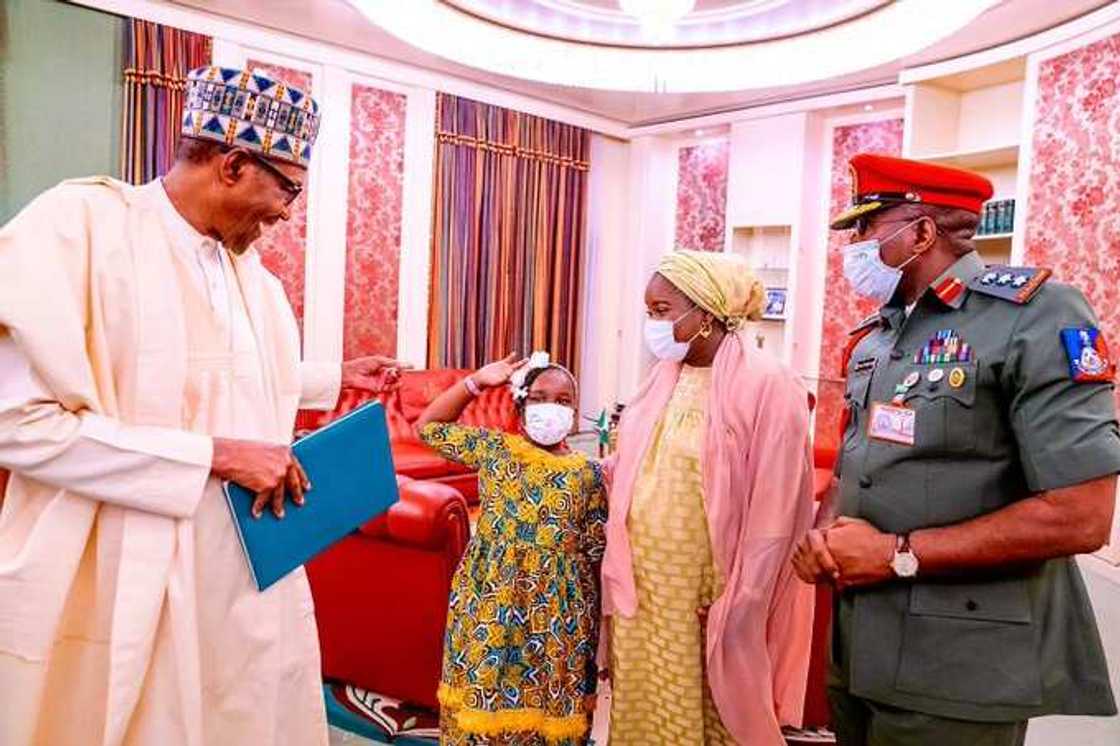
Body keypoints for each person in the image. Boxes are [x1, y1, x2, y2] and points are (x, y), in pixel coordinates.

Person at [0, 65, 406, 746]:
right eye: (289, 191)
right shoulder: (81, 227)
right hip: (115, 574)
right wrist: (213, 456)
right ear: (234, 164)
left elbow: (220, 374)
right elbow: (18, 425)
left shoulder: (252, 277)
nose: (286, 214)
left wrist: (335, 378)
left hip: (249, 573)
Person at [793, 153, 1120, 746]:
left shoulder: (1035, 316)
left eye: (867, 228)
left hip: (959, 660)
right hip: (861, 648)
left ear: (921, 232)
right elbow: (856, 462)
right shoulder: (878, 336)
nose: (855, 248)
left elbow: (1082, 516)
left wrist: (896, 553)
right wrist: (825, 533)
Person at [603, 250, 816, 746]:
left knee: (712, 708)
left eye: (661, 312)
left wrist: (741, 597)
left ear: (703, 313)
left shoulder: (769, 382)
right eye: (649, 311)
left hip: (708, 594)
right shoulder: (663, 375)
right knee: (645, 703)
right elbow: (638, 464)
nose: (650, 325)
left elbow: (775, 510)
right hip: (644, 589)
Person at [416, 352, 607, 745]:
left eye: (563, 400)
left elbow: (595, 551)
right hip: (490, 601)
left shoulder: (589, 473)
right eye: (539, 397)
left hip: (558, 616)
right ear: (520, 404)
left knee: (546, 713)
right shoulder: (494, 449)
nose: (551, 407)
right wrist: (477, 383)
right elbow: (429, 428)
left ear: (574, 411)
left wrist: (599, 639)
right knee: (483, 697)